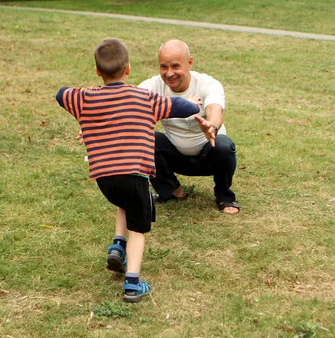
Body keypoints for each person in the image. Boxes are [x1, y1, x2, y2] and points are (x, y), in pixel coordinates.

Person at [56, 38, 200, 302]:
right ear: (129, 69)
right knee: (139, 228)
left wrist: (91, 98)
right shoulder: (146, 98)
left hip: (104, 179)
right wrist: (193, 103)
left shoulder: (84, 99)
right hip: (134, 175)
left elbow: (61, 93)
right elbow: (183, 108)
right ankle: (132, 282)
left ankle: (117, 245)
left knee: (124, 202)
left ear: (98, 71)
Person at [138, 39, 240, 214]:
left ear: (190, 62)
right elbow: (126, 103)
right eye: (164, 67)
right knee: (145, 138)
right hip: (175, 156)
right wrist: (95, 123)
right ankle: (171, 190)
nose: (169, 74)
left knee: (223, 145)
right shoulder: (152, 86)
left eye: (175, 66)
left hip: (210, 156)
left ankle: (224, 195)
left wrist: (212, 126)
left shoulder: (207, 83)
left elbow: (215, 107)